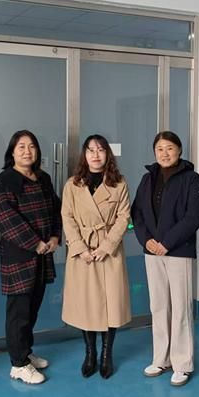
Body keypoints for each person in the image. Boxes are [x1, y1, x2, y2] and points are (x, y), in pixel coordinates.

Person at [131, 131, 199, 387]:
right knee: (159, 306)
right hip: (152, 252)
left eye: (170, 148)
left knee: (181, 308)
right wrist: (146, 240)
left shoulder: (192, 179)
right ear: (154, 152)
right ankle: (161, 358)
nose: (165, 153)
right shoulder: (147, 179)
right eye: (160, 149)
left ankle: (182, 363)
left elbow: (194, 217)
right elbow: (137, 214)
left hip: (178, 252)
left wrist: (166, 243)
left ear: (179, 150)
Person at [0, 130, 61, 385]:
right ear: (12, 152)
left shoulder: (43, 178)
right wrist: (35, 243)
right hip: (20, 256)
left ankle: (25, 352)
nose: (27, 151)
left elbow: (56, 209)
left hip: (43, 254)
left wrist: (55, 236)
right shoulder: (4, 182)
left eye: (31, 146)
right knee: (18, 313)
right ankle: (18, 365)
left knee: (32, 308)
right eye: (21, 147)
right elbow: (6, 221)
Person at [61, 135, 132, 379]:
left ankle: (106, 354)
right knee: (86, 305)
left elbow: (124, 217)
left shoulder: (119, 183)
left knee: (111, 305)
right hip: (83, 253)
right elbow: (67, 217)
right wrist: (80, 247)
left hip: (108, 252)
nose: (95, 155)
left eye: (100, 150)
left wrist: (106, 246)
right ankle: (90, 353)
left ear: (107, 154)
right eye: (90, 150)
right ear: (84, 154)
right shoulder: (72, 184)